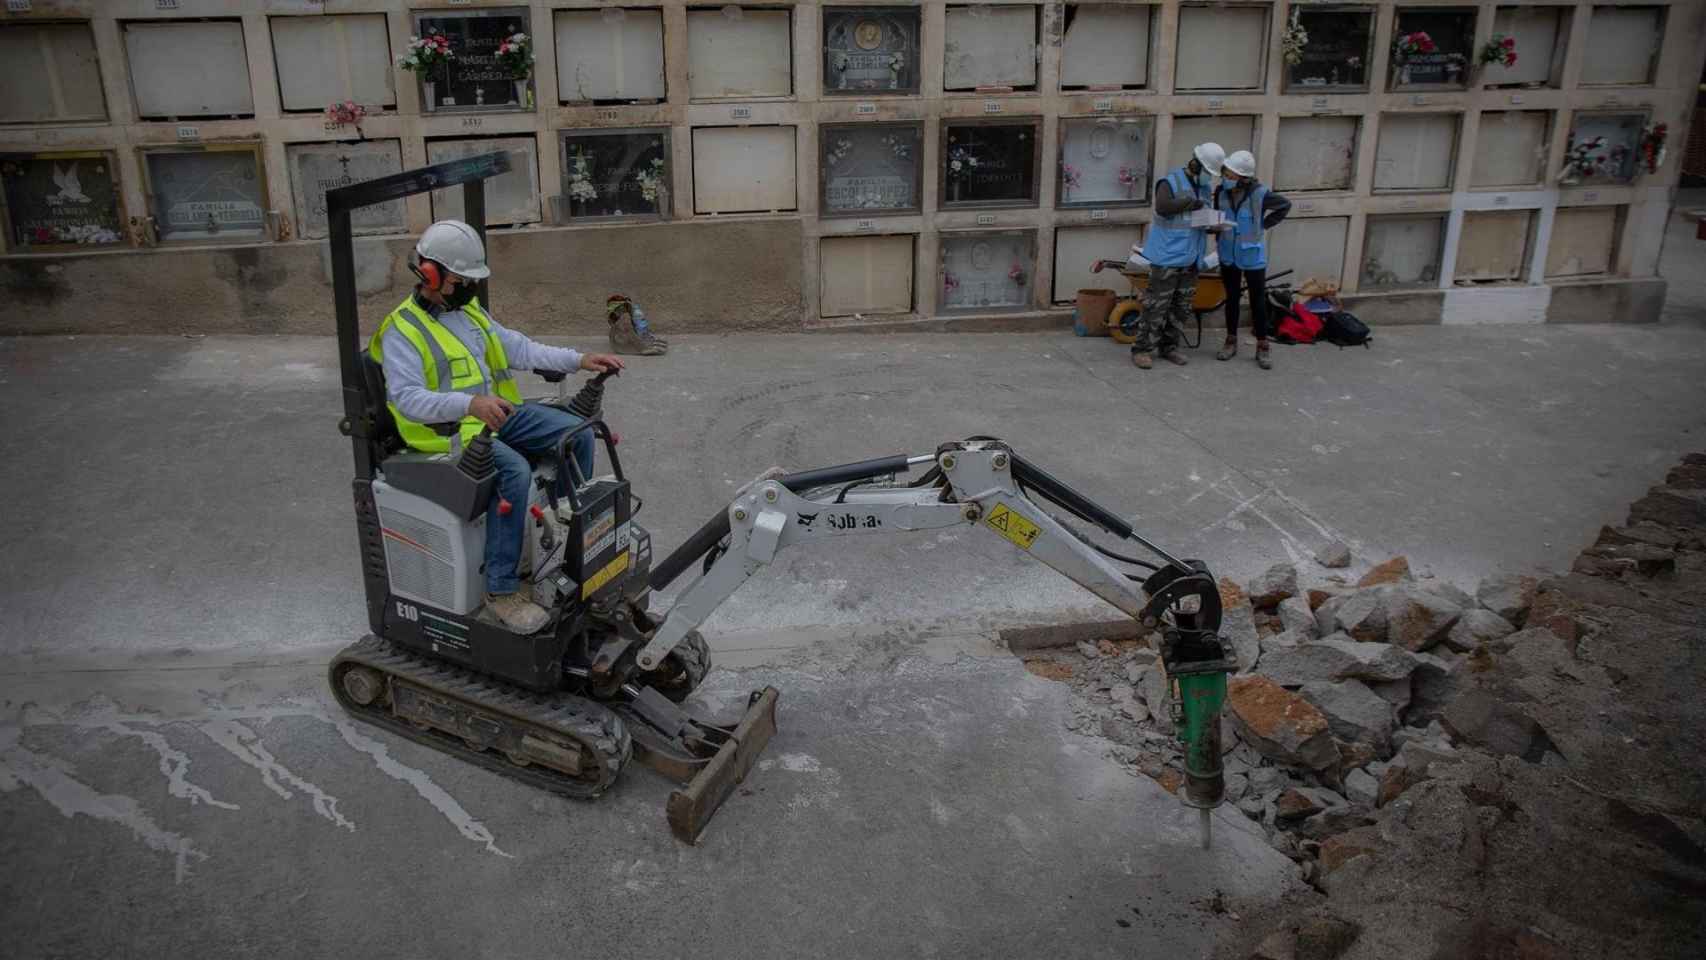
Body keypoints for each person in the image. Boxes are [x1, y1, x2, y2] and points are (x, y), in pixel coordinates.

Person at [369, 219, 625, 634]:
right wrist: (469, 403)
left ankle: (558, 537)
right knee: (513, 472)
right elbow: (407, 399)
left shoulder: (467, 311)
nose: (470, 288)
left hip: (494, 416)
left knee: (576, 433)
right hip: (449, 434)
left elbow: (519, 348)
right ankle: (502, 591)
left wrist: (579, 360)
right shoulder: (402, 330)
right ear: (430, 273)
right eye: (462, 280)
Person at [1125, 142, 1225, 370]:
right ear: (1194, 164)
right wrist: (1191, 202)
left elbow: (1197, 221)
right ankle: (1142, 349)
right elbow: (1163, 207)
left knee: (1181, 307)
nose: (1210, 178)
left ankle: (1169, 347)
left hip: (1191, 258)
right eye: (1208, 173)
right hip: (1167, 257)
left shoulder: (1203, 189)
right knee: (1156, 307)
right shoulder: (1169, 182)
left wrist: (1216, 224)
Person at [1212, 150, 1292, 370]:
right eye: (1225, 173)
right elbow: (1218, 216)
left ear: (1243, 177)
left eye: (1230, 175)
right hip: (1228, 254)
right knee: (1232, 298)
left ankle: (1263, 346)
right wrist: (1215, 229)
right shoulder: (1220, 192)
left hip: (1252, 255)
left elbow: (1285, 205)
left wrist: (1264, 226)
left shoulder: (1260, 193)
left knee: (1257, 301)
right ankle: (1230, 341)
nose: (1226, 178)